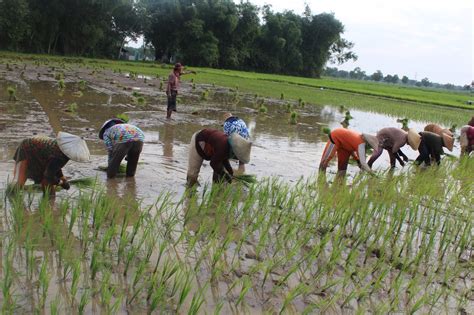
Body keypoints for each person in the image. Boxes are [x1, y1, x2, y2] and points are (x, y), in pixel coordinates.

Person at [12, 132, 90, 194]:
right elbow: (48, 176)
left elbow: (55, 167)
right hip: (27, 147)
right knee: (21, 181)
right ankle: (11, 195)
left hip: (39, 151)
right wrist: (60, 183)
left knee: (47, 184)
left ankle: (47, 198)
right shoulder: (60, 155)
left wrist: (63, 179)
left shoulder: (63, 151)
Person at [186, 128, 252, 186]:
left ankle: (214, 187)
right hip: (198, 142)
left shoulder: (228, 147)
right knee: (192, 175)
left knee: (219, 171)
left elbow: (224, 159)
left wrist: (230, 172)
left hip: (210, 147)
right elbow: (213, 163)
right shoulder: (223, 146)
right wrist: (225, 175)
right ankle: (189, 192)